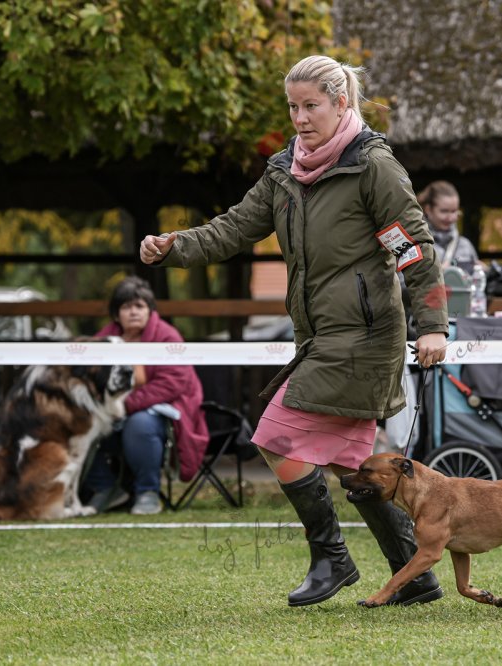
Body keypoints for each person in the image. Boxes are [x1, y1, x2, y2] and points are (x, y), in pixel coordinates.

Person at [139, 55, 449, 607]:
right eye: (292, 107)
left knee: (276, 436)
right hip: (321, 337)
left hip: (365, 337)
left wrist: (432, 326)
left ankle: (331, 558)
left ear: (340, 103)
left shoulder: (372, 167)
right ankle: (414, 574)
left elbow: (413, 248)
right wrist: (175, 246)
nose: (300, 118)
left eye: (311, 106)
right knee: (353, 467)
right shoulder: (285, 171)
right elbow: (236, 227)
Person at [86, 276, 209, 515]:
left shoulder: (167, 336)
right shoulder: (104, 338)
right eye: (126, 307)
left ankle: (147, 493)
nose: (133, 312)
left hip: (160, 414)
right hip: (111, 412)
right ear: (116, 314)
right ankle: (105, 488)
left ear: (150, 311)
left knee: (140, 423)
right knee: (77, 423)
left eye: (139, 306)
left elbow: (172, 383)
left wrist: (126, 405)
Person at [417, 180, 479, 275]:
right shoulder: (414, 244)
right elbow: (401, 281)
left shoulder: (465, 245)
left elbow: (476, 281)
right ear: (428, 209)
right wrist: (438, 274)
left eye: (454, 211)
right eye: (444, 211)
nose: (450, 218)